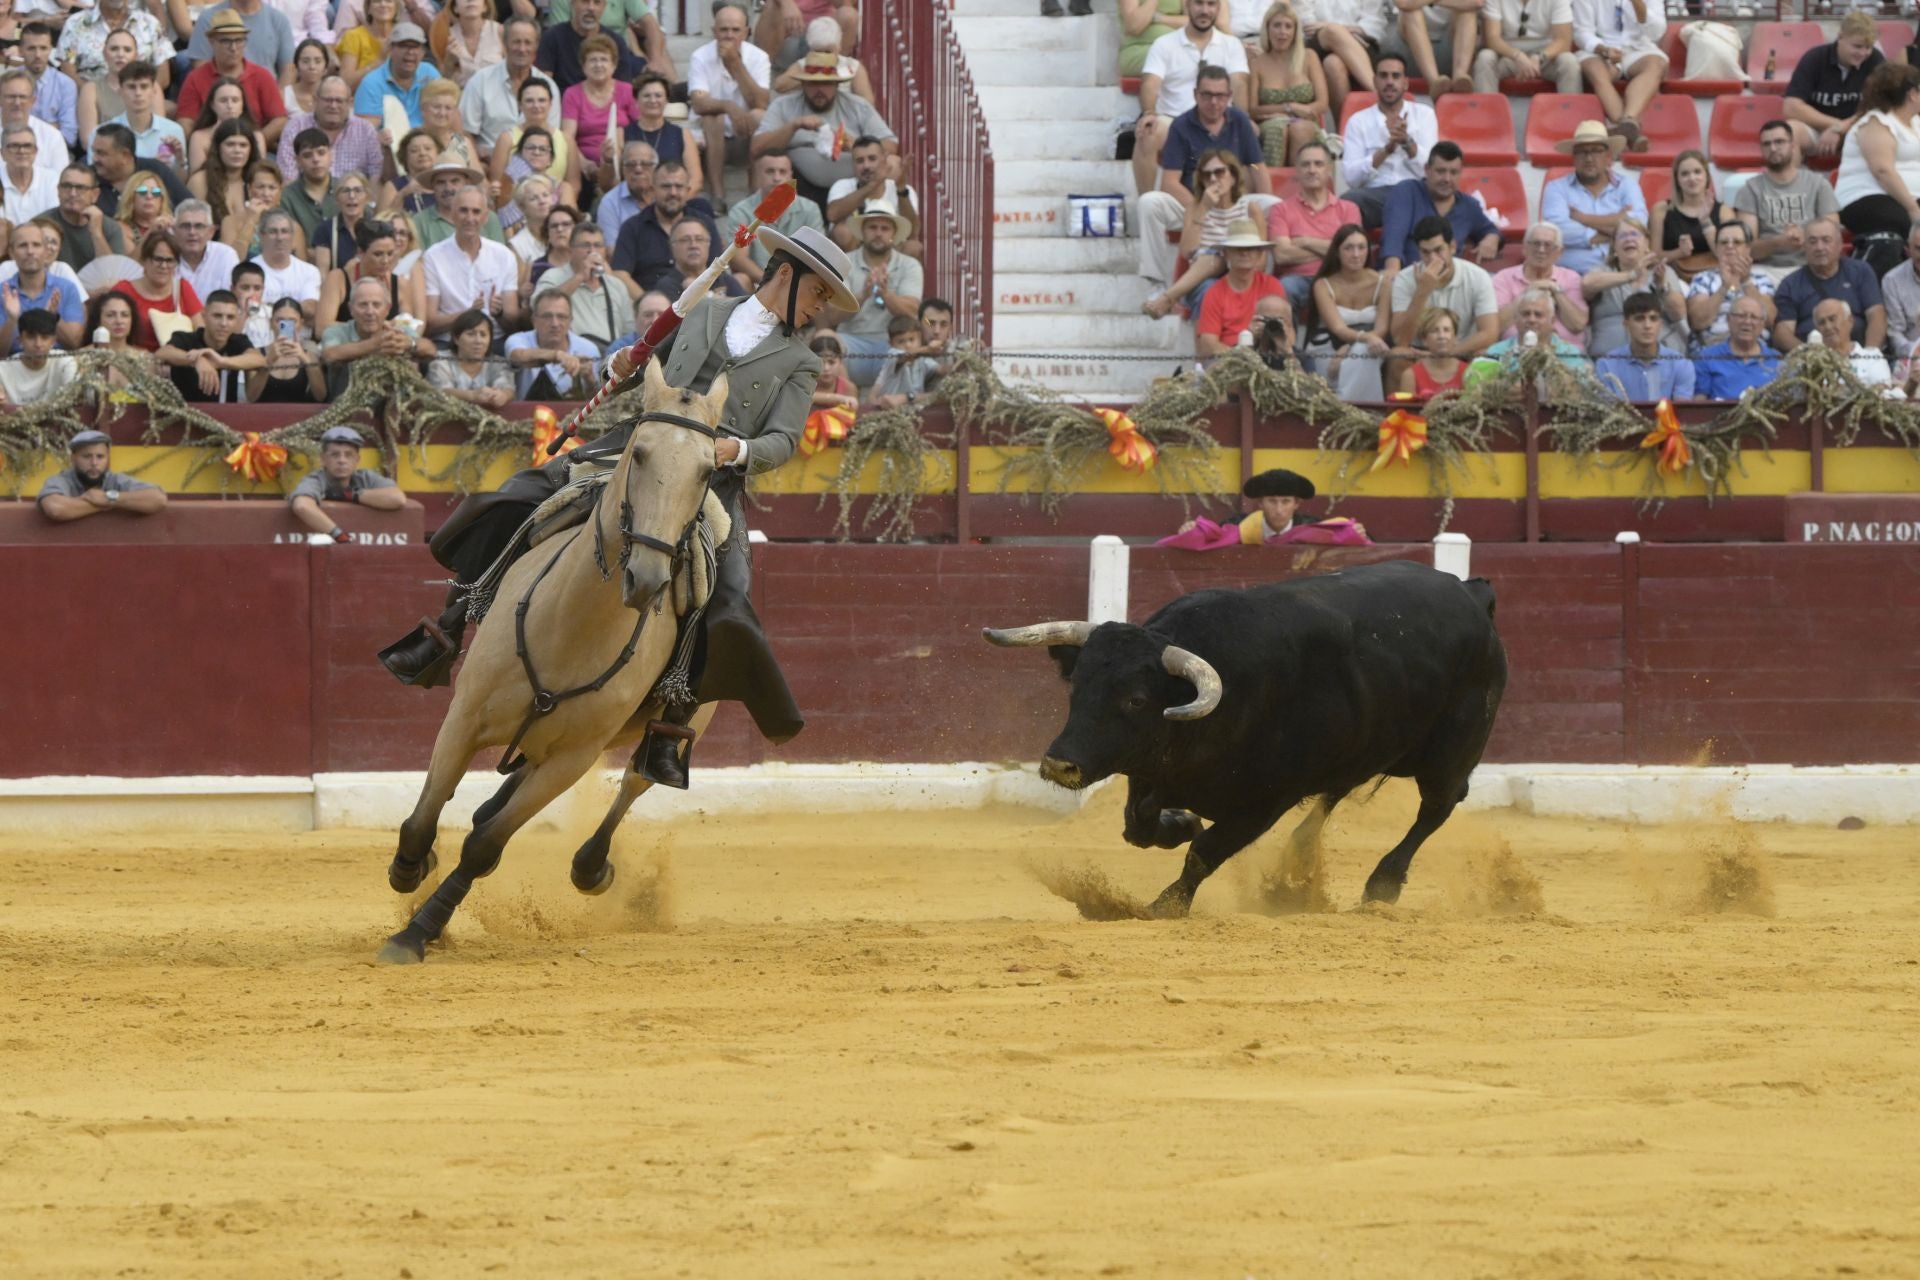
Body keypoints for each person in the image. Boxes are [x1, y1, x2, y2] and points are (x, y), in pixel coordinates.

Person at [380, 224, 860, 791]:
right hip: (636, 450)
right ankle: (448, 628)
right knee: (517, 496)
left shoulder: (800, 360)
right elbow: (643, 365)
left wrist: (737, 450)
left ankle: (669, 728)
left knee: (727, 597)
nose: (821, 307)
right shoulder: (702, 310)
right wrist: (620, 368)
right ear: (786, 274)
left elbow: (783, 439)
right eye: (818, 291)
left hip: (709, 479)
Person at [1139, 64, 1272, 295]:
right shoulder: (1181, 125)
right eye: (1207, 95)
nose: (1214, 102)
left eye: (1220, 96)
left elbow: (1256, 166)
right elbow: (1170, 182)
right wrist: (1203, 207)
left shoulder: (1239, 120)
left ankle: (1267, 279)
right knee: (1149, 202)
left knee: (1276, 206)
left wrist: (1262, 200)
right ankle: (1156, 282)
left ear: (1229, 96)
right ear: (1195, 95)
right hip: (1193, 203)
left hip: (1233, 204)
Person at [1132, 0, 1250, 200]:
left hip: (1219, 121)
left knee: (1245, 131)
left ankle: (1236, 207)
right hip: (1173, 122)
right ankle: (1148, 204)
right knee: (1148, 133)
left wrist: (1244, 119)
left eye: (1211, 4)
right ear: (1187, 5)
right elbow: (1150, 83)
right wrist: (1149, 113)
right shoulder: (1164, 44)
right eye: (1198, 3)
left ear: (1218, 8)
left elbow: (1239, 84)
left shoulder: (1231, 44)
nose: (1205, 10)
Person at [752, 50, 894, 209]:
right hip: (797, 185)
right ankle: (767, 219)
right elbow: (757, 148)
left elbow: (891, 145)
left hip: (852, 186)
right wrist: (793, 126)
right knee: (764, 163)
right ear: (803, 84)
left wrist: (856, 145)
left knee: (893, 163)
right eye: (813, 84)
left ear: (837, 85)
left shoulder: (858, 106)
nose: (819, 90)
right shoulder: (783, 106)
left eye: (826, 84)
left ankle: (880, 214)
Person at [1142, 147, 1255, 319]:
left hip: (1240, 273)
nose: (1213, 179)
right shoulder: (1195, 209)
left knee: (1219, 254)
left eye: (1219, 172)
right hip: (1200, 280)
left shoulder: (1250, 208)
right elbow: (1187, 252)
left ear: (1233, 177)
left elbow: (1260, 258)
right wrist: (1204, 208)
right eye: (1206, 175)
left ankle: (1168, 298)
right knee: (1208, 286)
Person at [1834, 60, 1920, 279]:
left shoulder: (1916, 123)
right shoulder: (1876, 122)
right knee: (1897, 222)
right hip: (1867, 197)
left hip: (1907, 198)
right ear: (1912, 94)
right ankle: (1865, 286)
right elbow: (1882, 170)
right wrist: (1913, 209)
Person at [820, 198, 918, 386]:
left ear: (894, 233)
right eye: (872, 227)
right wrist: (864, 294)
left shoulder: (910, 265)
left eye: (885, 228)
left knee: (907, 347)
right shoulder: (843, 263)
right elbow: (832, 316)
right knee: (825, 337)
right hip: (851, 343)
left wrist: (886, 294)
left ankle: (894, 403)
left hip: (891, 344)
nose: (878, 233)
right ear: (862, 232)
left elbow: (911, 312)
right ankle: (845, 398)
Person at [1337, 51, 1433, 229]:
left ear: (1405, 83)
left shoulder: (1424, 115)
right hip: (1376, 196)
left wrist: (1406, 142)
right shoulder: (1358, 121)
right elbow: (1352, 178)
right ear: (1375, 81)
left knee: (1441, 198)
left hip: (1415, 192)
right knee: (1348, 203)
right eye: (1383, 76)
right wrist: (1386, 150)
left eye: (1395, 76)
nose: (1389, 82)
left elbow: (1431, 170)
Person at [1735, 120, 1841, 279]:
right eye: (1766, 144)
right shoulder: (1750, 189)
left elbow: (1833, 236)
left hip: (1812, 268)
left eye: (1779, 142)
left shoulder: (1818, 184)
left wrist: (1806, 237)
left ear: (1793, 145)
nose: (1773, 148)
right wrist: (1778, 243)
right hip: (1767, 270)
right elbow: (1746, 249)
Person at [1539, 119, 1647, 275]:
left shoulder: (1627, 185)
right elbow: (1556, 231)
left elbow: (1639, 224)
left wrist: (1583, 218)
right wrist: (1617, 228)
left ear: (1609, 157)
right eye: (1582, 152)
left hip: (1622, 273)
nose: (1589, 158)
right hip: (1572, 275)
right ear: (1574, 158)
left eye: (1596, 151)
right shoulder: (1557, 188)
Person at [1163, 468, 1368, 549]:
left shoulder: (1314, 528)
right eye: (1272, 501)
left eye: (1285, 502)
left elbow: (1367, 545)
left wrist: (1358, 533)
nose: (1279, 509)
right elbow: (1211, 536)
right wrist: (1191, 531)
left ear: (1297, 504)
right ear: (1260, 503)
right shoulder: (1238, 525)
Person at [689, 3, 770, 203]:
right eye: (723, 30)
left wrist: (735, 64)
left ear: (746, 32)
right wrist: (729, 107)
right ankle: (718, 195)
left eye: (735, 30)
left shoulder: (759, 58)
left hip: (745, 133)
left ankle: (754, 194)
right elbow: (699, 103)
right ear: (714, 31)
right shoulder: (700, 56)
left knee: (759, 115)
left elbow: (761, 102)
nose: (729, 35)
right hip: (709, 138)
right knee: (712, 117)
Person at [1378, 140, 1499, 272]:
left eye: (1453, 172)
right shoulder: (1406, 192)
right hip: (1408, 277)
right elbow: (1393, 237)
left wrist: (1492, 238)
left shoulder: (1469, 206)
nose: (1447, 179)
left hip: (1449, 281)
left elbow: (1490, 230)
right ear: (1427, 169)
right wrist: (1393, 272)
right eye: (1441, 171)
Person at [420, 182, 520, 342]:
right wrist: (468, 314)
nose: (470, 218)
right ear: (453, 214)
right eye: (463, 211)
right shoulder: (433, 256)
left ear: (485, 218)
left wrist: (499, 314)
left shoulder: (504, 256)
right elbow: (430, 322)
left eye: (476, 212)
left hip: (493, 341)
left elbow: (512, 321)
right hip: (449, 342)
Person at [1389, 214, 1499, 357]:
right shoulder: (1404, 279)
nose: (1433, 259)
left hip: (1462, 349)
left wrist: (1446, 354)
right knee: (1398, 355)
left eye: (1438, 250)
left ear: (1452, 247)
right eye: (1425, 252)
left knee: (1483, 355)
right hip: (1419, 351)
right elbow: (1400, 340)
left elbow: (1490, 333)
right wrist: (1422, 291)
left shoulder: (1478, 276)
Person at [1771, 216, 1885, 353]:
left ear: (1840, 244)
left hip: (1858, 355)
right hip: (1812, 358)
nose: (1819, 247)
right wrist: (1810, 356)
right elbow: (1783, 332)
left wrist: (1870, 354)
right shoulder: (1790, 284)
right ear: (1804, 247)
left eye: (1826, 240)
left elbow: (1876, 315)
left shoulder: (1860, 271)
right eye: (1812, 242)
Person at [1265, 140, 1355, 310]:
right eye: (1305, 165)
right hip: (1298, 280)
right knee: (1285, 287)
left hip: (1338, 278)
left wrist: (1305, 241)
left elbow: (1351, 253)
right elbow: (1282, 255)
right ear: (1297, 171)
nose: (1312, 170)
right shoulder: (1280, 209)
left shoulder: (1349, 209)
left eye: (1318, 164)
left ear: (1329, 169)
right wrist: (1334, 248)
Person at [177, 10, 287, 147]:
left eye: (239, 40)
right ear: (212, 42)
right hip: (208, 150)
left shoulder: (262, 76)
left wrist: (253, 145)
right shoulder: (195, 78)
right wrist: (208, 148)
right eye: (226, 41)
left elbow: (279, 120)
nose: (233, 48)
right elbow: (185, 121)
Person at [1784, 11, 1883, 159]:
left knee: (1882, 134)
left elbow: (1881, 106)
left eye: (1868, 47)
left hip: (1858, 129)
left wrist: (1842, 128)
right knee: (1789, 133)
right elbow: (1792, 107)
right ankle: (1792, 175)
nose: (1863, 53)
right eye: (1857, 46)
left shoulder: (1875, 60)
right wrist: (1836, 126)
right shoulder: (1815, 58)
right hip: (1818, 129)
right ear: (1840, 37)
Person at [1582, 216, 1685, 356]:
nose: (1629, 239)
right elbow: (1587, 284)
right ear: (1614, 247)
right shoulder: (1603, 271)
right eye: (1622, 236)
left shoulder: (1663, 271)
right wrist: (1631, 275)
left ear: (1646, 244)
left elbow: (1678, 314)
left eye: (1634, 234)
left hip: (1661, 355)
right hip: (1610, 357)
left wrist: (1661, 288)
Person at [1306, 222, 1388, 397]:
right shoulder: (1323, 284)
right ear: (1337, 252)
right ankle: (1365, 410)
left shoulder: (1382, 282)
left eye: (1361, 247)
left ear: (1368, 251)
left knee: (1362, 351)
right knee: (1361, 352)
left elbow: (1381, 328)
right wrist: (1354, 344)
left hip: (1369, 346)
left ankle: (1347, 407)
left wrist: (1350, 348)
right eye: (1348, 248)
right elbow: (1338, 328)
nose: (1356, 254)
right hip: (1329, 346)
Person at [610, 159, 717, 292]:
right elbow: (620, 274)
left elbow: (717, 270)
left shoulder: (705, 224)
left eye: (679, 186)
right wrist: (647, 301)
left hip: (698, 299)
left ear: (688, 190)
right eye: (666, 186)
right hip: (649, 300)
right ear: (652, 190)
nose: (673, 193)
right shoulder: (632, 227)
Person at [720, 152, 824, 287]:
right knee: (740, 279)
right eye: (770, 171)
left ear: (790, 176)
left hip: (798, 283)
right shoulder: (742, 211)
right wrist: (771, 283)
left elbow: (816, 255)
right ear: (757, 176)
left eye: (782, 172)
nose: (776, 178)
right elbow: (738, 257)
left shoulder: (810, 210)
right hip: (759, 283)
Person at [530, 216, 633, 352]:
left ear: (604, 251)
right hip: (571, 354)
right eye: (585, 245)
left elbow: (629, 329)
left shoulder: (616, 285)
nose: (592, 251)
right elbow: (537, 306)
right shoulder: (553, 276)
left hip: (609, 355)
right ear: (571, 249)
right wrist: (579, 277)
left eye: (598, 245)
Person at [460, 16, 557, 161]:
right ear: (504, 43)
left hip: (537, 166)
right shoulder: (480, 81)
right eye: (516, 42)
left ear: (537, 45)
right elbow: (464, 133)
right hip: (487, 163)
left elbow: (552, 135)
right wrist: (478, 166)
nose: (522, 49)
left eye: (528, 42)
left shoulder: (548, 86)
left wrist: (516, 168)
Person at [1570, 0, 1663, 150]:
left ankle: (1626, 121)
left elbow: (1656, 32)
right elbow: (1582, 33)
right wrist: (1604, 50)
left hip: (1639, 48)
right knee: (1594, 69)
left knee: (1656, 65)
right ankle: (1631, 132)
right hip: (1601, 49)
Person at [321, 273, 434, 394]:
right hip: (347, 397)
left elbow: (430, 349)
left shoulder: (398, 330)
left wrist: (410, 343)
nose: (370, 311)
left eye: (376, 305)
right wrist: (376, 344)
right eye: (363, 305)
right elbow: (330, 355)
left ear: (387, 309)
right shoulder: (337, 331)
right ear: (351, 309)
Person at [288, 425, 407, 539]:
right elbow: (302, 505)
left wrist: (349, 495)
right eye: (335, 455)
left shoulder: (365, 477)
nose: (342, 460)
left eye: (348, 455)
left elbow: (397, 498)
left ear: (357, 460)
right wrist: (339, 535)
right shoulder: (316, 479)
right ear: (323, 459)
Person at [1248, 2, 1326, 169]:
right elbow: (1253, 109)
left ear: (1295, 31)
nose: (1282, 32)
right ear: (1267, 28)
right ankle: (1273, 183)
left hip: (1306, 122)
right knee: (1278, 129)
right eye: (1277, 25)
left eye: (1288, 26)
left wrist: (1303, 110)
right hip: (1271, 124)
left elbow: (1322, 103)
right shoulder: (1257, 63)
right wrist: (1289, 108)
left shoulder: (1309, 57)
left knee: (1300, 128)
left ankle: (1300, 183)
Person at [1192, 217, 1284, 355]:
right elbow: (1208, 345)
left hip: (1266, 355)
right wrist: (1242, 352)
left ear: (1259, 254)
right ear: (1226, 254)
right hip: (1227, 359)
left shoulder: (1273, 286)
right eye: (1238, 248)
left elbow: (1287, 334)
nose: (1244, 253)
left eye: (1250, 248)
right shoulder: (1214, 292)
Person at [274, 74, 383, 187]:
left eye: (339, 101)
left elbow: (376, 173)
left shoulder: (365, 130)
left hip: (353, 196)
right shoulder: (296, 127)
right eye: (328, 100)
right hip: (306, 196)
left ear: (350, 103)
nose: (333, 106)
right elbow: (287, 176)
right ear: (315, 100)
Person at [156, 286, 262, 401]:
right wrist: (197, 360)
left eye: (230, 317)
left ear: (236, 319)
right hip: (184, 410)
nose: (224, 323)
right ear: (204, 315)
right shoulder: (186, 338)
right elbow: (162, 353)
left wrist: (221, 361)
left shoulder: (237, 341)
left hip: (225, 411)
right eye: (217, 316)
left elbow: (258, 359)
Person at [561, 34, 639, 189]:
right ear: (583, 66)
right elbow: (567, 136)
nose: (598, 65)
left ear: (614, 65)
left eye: (604, 59)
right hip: (585, 166)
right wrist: (584, 163)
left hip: (622, 163)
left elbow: (640, 127)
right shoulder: (572, 94)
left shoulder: (627, 90)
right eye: (592, 60)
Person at [37, 429, 166, 522]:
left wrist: (108, 498)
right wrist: (110, 503)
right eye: (87, 456)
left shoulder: (115, 479)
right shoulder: (61, 480)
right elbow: (56, 509)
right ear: (73, 458)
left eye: (100, 457)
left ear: (108, 458)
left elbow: (158, 499)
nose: (94, 463)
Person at [1686, 218, 1777, 350]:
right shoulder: (1703, 279)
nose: (1729, 246)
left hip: (1753, 348)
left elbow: (1769, 321)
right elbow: (1697, 322)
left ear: (1748, 248)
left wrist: (1746, 282)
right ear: (1716, 248)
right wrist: (1724, 287)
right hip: (1713, 347)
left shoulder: (1761, 280)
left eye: (1737, 242)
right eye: (1724, 242)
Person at [1492, 222, 1587, 342]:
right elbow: (1496, 326)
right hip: (1516, 349)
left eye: (1548, 245)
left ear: (1559, 252)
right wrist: (1529, 291)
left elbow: (1578, 325)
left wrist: (1556, 292)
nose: (1541, 250)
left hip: (1566, 351)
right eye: (1536, 243)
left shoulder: (1571, 278)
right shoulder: (1504, 278)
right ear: (1525, 248)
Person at [317, 215, 420, 326]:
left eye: (390, 254)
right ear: (360, 252)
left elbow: (408, 326)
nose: (385, 261)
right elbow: (322, 326)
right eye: (378, 254)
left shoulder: (400, 285)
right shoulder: (338, 279)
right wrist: (373, 328)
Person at [1594, 291, 1695, 401]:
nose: (1647, 326)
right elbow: (1608, 409)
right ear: (1626, 325)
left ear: (1660, 324)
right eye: (1639, 319)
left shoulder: (1681, 364)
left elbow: (1681, 409)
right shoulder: (1607, 365)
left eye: (1653, 318)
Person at [823, 134, 918, 252]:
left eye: (872, 159)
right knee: (842, 232)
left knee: (913, 247)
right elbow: (832, 215)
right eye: (860, 161)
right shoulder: (842, 185)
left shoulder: (903, 189)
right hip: (852, 255)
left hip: (890, 252)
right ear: (853, 164)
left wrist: (901, 189)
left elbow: (912, 233)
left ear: (884, 159)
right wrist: (873, 185)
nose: (866, 166)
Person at [0, 220, 83, 351]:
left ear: (45, 251)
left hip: (58, 360)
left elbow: (75, 344)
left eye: (36, 245)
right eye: (22, 245)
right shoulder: (2, 292)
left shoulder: (67, 288)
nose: (30, 251)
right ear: (11, 252)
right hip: (12, 362)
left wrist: (53, 317)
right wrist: (11, 320)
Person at [112, 230, 201, 349]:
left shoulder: (183, 287)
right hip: (133, 357)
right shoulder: (124, 290)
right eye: (158, 259)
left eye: (169, 260)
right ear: (144, 261)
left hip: (177, 357)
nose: (164, 266)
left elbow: (200, 330)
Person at [534, 0, 645, 95]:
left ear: (603, 7)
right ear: (572, 4)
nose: (591, 8)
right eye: (585, 1)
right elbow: (543, 86)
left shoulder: (615, 42)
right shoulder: (552, 37)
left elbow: (623, 90)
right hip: (563, 107)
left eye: (597, 2)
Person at [55, 0, 175, 88]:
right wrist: (93, 97)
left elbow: (164, 77)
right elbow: (68, 71)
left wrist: (139, 97)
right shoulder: (76, 23)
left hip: (139, 101)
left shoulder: (150, 24)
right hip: (92, 101)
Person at [505, 289, 600, 399]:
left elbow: (598, 402)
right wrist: (557, 355)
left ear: (570, 321)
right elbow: (518, 356)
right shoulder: (518, 340)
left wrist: (589, 380)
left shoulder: (588, 349)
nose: (555, 324)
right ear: (534, 320)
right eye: (547, 316)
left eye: (561, 317)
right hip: (528, 409)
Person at [1649, 150, 1726, 284]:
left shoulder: (1723, 211)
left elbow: (1727, 255)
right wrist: (1678, 253)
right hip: (1673, 277)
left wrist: (1706, 222)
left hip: (1715, 276)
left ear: (1707, 176)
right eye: (1685, 174)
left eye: (1697, 172)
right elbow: (1652, 257)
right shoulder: (1661, 210)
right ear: (1677, 180)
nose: (1692, 178)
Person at [1472, 0, 1580, 94]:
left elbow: (1563, 41)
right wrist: (1517, 56)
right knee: (1485, 57)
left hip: (1546, 57)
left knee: (1569, 61)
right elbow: (1492, 39)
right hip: (1508, 55)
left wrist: (1539, 57)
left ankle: (1571, 109)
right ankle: (1485, 109)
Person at [351, 21, 438, 133]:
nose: (410, 52)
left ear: (423, 52)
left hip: (427, 138)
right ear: (391, 49)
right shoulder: (371, 83)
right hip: (389, 142)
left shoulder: (430, 73)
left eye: (415, 46)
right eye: (403, 46)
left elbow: (448, 111)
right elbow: (365, 133)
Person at [1693, 293, 1780, 399]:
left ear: (1762, 324)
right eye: (1741, 316)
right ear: (1728, 319)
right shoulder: (1707, 357)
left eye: (1754, 317)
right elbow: (1699, 402)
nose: (1747, 321)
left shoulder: (1776, 360)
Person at [182, 0, 297, 80]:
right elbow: (200, 69)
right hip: (222, 98)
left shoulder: (279, 20)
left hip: (266, 96)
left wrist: (277, 99)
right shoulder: (208, 18)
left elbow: (288, 70)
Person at [103, 60, 185, 171]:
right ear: (120, 91)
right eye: (131, 87)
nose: (138, 93)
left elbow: (181, 179)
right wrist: (152, 165)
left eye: (144, 86)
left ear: (154, 91)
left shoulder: (174, 130)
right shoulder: (105, 133)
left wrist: (180, 160)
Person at [412, 155, 504, 250]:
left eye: (454, 181)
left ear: (467, 183)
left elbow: (499, 255)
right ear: (433, 186)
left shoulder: (488, 217)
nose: (448, 188)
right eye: (441, 182)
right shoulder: (419, 222)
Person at [425, 306, 513, 405]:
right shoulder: (440, 361)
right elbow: (439, 391)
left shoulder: (498, 363)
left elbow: (508, 388)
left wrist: (503, 396)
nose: (478, 341)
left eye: (483, 335)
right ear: (456, 338)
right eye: (471, 334)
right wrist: (472, 396)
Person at [248, 294, 326, 401]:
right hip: (263, 411)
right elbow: (251, 397)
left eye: (292, 321)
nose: (285, 326)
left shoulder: (309, 356)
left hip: (298, 411)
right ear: (271, 323)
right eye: (280, 320)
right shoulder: (257, 354)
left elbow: (320, 396)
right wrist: (268, 362)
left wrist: (304, 359)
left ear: (301, 324)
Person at [75, 29, 141, 150]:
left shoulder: (152, 87)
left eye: (127, 50)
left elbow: (157, 134)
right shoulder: (91, 89)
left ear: (136, 55)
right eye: (114, 49)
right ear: (104, 53)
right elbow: (87, 139)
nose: (120, 54)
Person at [47, 164, 122, 271]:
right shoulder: (41, 225)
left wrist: (97, 234)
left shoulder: (110, 227)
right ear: (58, 190)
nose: (72, 193)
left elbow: (113, 274)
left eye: (80, 188)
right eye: (67, 186)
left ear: (95, 195)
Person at [184, 77, 265, 174]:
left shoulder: (257, 136)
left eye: (235, 100)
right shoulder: (199, 137)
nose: (230, 106)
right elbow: (196, 175)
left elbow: (259, 173)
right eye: (223, 100)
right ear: (212, 105)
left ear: (243, 105)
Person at [251, 210, 322, 320]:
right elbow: (251, 309)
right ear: (261, 236)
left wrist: (267, 306)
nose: (279, 238)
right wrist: (296, 308)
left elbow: (310, 309)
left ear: (292, 236)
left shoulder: (309, 271)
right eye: (273, 232)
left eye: (284, 231)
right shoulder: (250, 270)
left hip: (298, 331)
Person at [276, 126, 336, 245]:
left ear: (331, 155)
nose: (316, 159)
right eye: (307, 155)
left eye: (321, 153)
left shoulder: (346, 190)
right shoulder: (286, 197)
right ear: (297, 161)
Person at [0, 307, 74, 404]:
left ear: (54, 341)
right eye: (31, 337)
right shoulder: (3, 369)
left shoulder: (65, 361)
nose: (38, 344)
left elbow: (74, 397)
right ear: (20, 340)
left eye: (45, 337)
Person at [1813, 297, 1892, 385]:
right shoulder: (1813, 365)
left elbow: (1882, 390)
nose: (1828, 327)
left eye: (1832, 319)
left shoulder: (1872, 358)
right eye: (1822, 323)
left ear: (1850, 321)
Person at [1390, 305, 1464, 396]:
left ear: (1455, 337)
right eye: (1434, 331)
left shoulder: (1469, 372)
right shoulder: (1410, 375)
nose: (1441, 336)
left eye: (1446, 330)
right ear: (1424, 339)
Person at [592, 138, 654, 245]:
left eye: (645, 164)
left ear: (655, 168)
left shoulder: (666, 196)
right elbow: (611, 249)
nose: (638, 169)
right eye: (631, 164)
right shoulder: (610, 202)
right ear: (623, 170)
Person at [308, 171, 370, 276]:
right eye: (345, 191)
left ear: (367, 197)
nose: (352, 196)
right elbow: (323, 274)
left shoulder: (377, 228)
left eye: (357, 190)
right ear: (337, 198)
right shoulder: (325, 230)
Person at [0, 126, 58, 233]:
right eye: (14, 146)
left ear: (35, 152)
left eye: (27, 146)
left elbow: (54, 223)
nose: (21, 151)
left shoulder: (52, 180)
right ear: (2, 153)